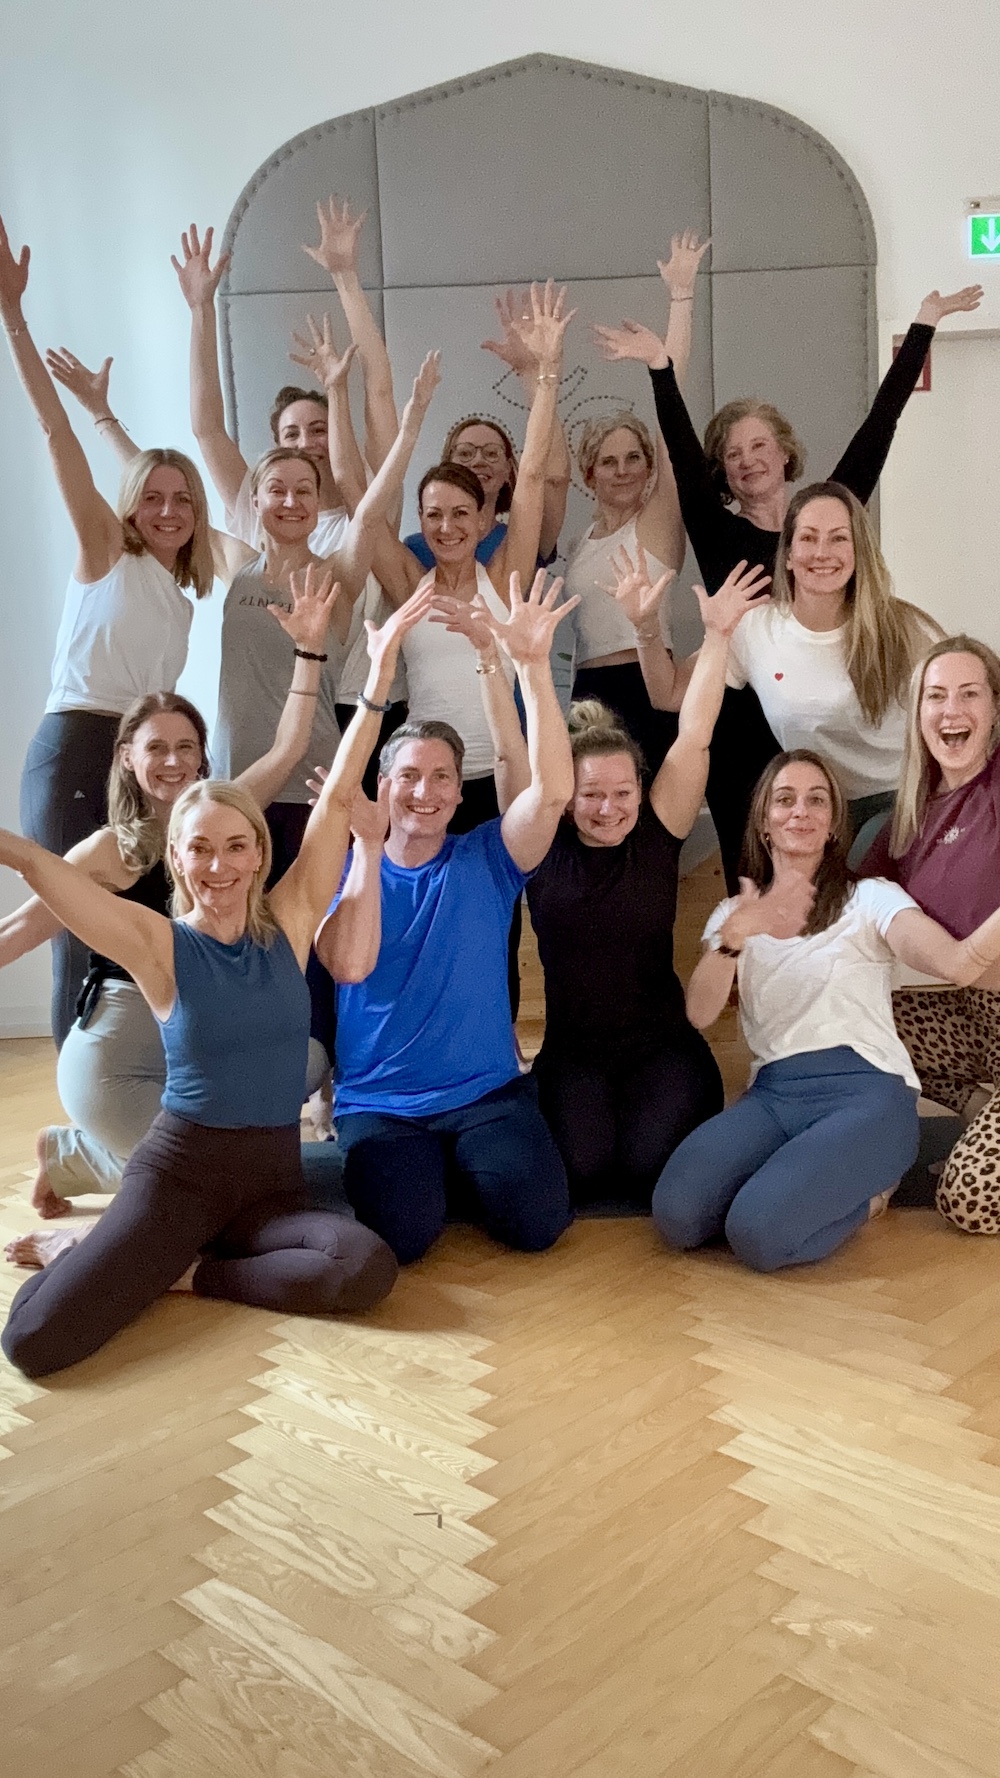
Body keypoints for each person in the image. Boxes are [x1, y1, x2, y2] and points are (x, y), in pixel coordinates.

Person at [0, 587, 436, 1380]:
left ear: (260, 853)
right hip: (178, 1182)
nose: (220, 865)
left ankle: (191, 1275)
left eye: (237, 846)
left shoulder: (291, 919)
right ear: (176, 860)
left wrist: (379, 672)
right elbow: (39, 866)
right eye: (199, 849)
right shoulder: (158, 945)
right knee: (33, 1340)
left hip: (270, 1189)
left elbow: (341, 789)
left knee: (363, 1268)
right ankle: (100, 1248)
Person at [595, 275, 983, 884]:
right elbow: (682, 456)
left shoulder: (823, 518)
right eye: (732, 454)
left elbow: (879, 427)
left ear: (784, 453)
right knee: (754, 880)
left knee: (835, 883)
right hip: (742, 725)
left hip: (824, 732)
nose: (747, 460)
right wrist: (660, 369)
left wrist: (923, 327)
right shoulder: (719, 534)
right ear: (723, 471)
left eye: (758, 446)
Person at [0, 568, 339, 1224]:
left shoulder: (220, 816)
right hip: (120, 1053)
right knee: (205, 1185)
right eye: (156, 748)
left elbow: (290, 746)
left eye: (187, 747)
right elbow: (20, 929)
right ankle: (85, 1151)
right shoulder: (107, 852)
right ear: (128, 757)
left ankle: (75, 1157)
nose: (174, 761)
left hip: (204, 1040)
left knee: (307, 1060)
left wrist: (309, 647)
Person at [439, 557, 770, 1207]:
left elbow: (695, 735)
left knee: (647, 1166)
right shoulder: (539, 840)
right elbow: (510, 754)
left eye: (622, 792)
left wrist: (719, 636)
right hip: (574, 1054)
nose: (609, 807)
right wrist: (498, 658)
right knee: (585, 1170)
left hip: (662, 1046)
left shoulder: (659, 829)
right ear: (567, 797)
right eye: (591, 794)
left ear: (642, 791)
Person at [0, 215, 227, 1046]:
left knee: (139, 920)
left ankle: (136, 1081)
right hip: (76, 747)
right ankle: (81, 1094)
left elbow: (184, 456)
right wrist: (13, 316)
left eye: (183, 500)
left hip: (138, 758)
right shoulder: (106, 551)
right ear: (131, 506)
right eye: (152, 498)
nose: (168, 510)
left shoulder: (184, 590)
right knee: (74, 923)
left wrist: (113, 411)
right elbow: (54, 435)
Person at [314, 570, 578, 1266]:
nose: (423, 792)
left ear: (461, 794)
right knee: (403, 1238)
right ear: (382, 787)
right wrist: (367, 846)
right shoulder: (342, 868)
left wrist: (530, 667)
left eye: (441, 778)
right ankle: (434, 1176)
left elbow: (552, 792)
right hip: (382, 1104)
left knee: (538, 1224)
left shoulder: (489, 856)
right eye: (408, 776)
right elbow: (349, 965)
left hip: (485, 1094)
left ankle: (462, 1167)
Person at [651, 749, 1000, 1272]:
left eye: (817, 800)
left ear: (834, 824)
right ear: (764, 822)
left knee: (757, 1234)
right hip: (774, 1096)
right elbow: (700, 1014)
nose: (800, 811)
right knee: (677, 1215)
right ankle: (814, 1180)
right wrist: (734, 937)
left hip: (869, 1096)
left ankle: (870, 1194)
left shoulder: (872, 898)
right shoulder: (732, 914)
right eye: (785, 799)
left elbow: (956, 962)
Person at [630, 481, 941, 836]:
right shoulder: (755, 628)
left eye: (838, 538)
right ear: (789, 554)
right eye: (808, 538)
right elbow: (668, 693)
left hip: (906, 799)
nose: (822, 552)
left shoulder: (906, 627)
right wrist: (644, 626)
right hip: (821, 808)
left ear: (859, 551)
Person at [858, 637, 1000, 1233]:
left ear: (994, 707)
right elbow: (848, 901)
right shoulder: (908, 818)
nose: (951, 711)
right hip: (975, 1017)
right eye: (936, 696)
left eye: (970, 694)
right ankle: (981, 1105)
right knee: (858, 1028)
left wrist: (969, 955)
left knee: (967, 1201)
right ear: (918, 713)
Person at [562, 233, 710, 774]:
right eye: (609, 461)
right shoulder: (578, 544)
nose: (623, 470)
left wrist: (681, 298)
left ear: (649, 467)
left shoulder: (657, 523)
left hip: (647, 687)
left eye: (633, 458)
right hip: (586, 693)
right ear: (589, 474)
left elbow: (675, 409)